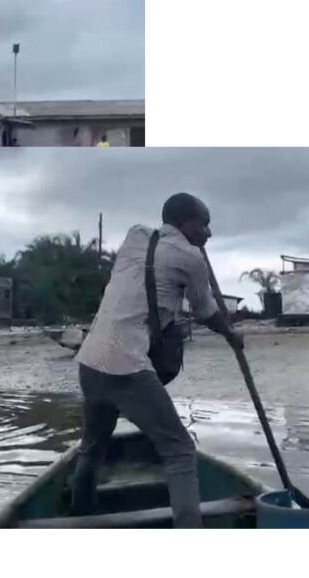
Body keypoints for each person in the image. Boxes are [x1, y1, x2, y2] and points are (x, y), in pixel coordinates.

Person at [71, 193, 244, 528]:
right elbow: (205, 310)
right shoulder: (191, 258)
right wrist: (231, 335)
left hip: (89, 361)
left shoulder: (137, 236)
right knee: (180, 451)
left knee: (92, 447)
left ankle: (81, 515)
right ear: (184, 223)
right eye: (203, 224)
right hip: (126, 366)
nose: (208, 233)